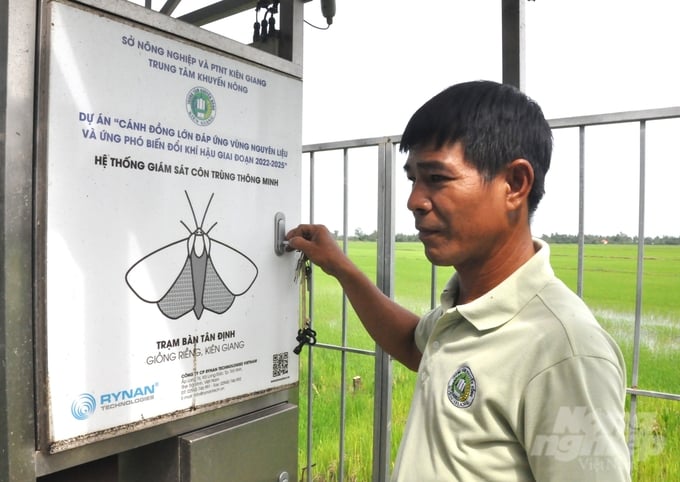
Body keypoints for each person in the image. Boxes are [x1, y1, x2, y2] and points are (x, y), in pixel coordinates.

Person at [286, 80, 630, 481]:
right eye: (413, 178)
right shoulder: (466, 309)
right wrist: (340, 267)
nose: (414, 200)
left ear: (515, 185)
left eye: (436, 177)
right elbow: (412, 341)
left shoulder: (564, 351)